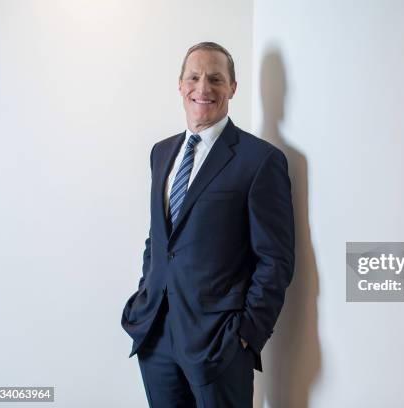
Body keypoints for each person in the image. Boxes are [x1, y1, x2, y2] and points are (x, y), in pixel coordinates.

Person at [121, 41, 295, 407]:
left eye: (216, 78)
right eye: (194, 77)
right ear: (181, 85)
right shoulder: (161, 153)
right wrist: (144, 296)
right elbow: (160, 238)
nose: (204, 88)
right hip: (155, 337)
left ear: (232, 88)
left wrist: (246, 335)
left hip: (219, 344)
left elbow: (275, 259)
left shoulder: (260, 160)